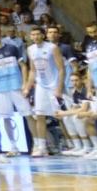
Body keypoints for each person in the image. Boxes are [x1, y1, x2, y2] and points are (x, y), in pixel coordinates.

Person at [0, 29, 29, 158]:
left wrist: (25, 83)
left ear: (1, 36)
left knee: (28, 114)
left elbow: (24, 66)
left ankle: (38, 144)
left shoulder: (12, 48)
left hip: (16, 86)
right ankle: (13, 146)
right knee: (6, 117)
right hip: (0, 90)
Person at [26, 26, 65, 158]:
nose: (36, 37)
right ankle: (42, 147)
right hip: (41, 86)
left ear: (43, 35)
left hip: (53, 85)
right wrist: (27, 86)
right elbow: (32, 70)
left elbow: (61, 69)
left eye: (38, 34)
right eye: (33, 34)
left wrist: (59, 87)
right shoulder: (30, 49)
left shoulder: (52, 48)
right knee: (40, 115)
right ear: (30, 37)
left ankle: (75, 144)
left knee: (61, 115)